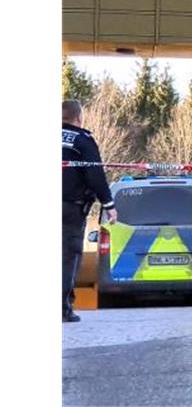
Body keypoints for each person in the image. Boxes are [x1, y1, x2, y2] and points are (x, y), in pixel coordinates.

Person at [62, 99, 118, 323]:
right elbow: (95, 173)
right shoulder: (82, 140)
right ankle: (62, 309)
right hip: (69, 208)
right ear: (79, 118)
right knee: (67, 256)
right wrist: (109, 205)